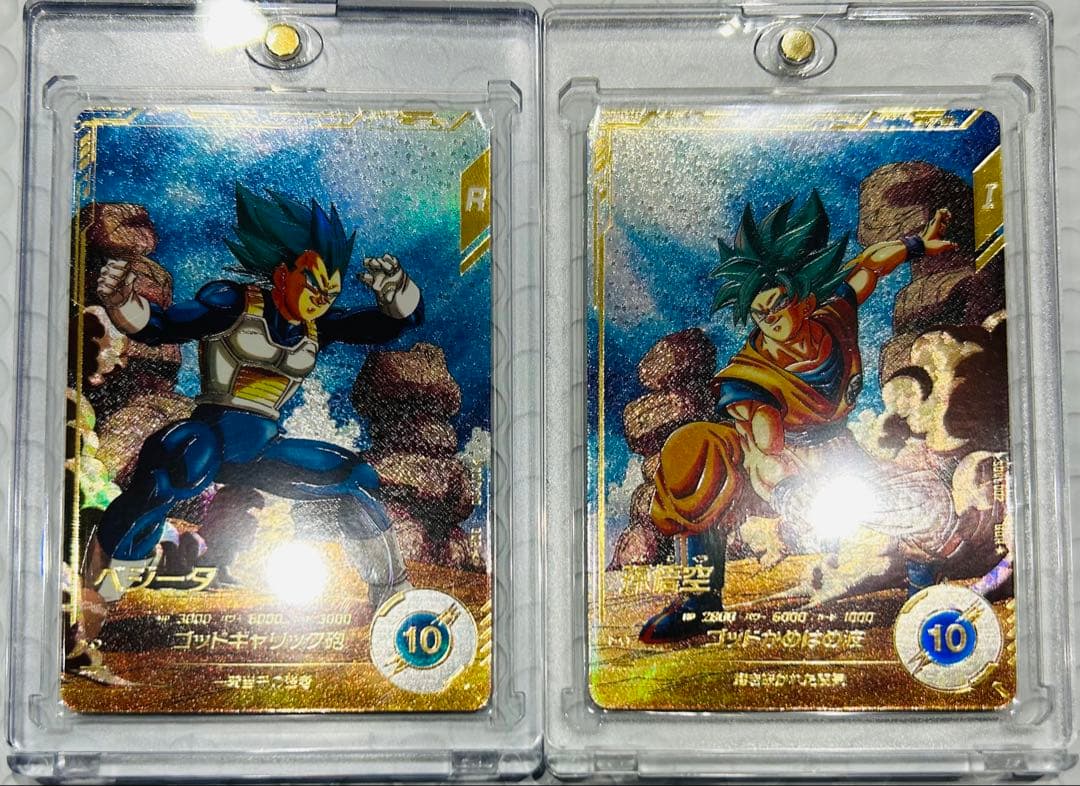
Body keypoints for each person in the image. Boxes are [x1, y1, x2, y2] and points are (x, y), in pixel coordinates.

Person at [68, 185, 423, 681]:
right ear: (281, 272)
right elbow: (165, 325)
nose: (323, 297)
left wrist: (398, 295)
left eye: (332, 288)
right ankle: (92, 608)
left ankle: (395, 601)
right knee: (179, 463)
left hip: (261, 449)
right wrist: (122, 301)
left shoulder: (317, 326)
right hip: (211, 433)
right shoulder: (235, 303)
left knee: (354, 477)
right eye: (313, 282)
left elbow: (386, 327)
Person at [642, 190, 958, 643]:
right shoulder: (750, 375)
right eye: (760, 313)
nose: (771, 319)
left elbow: (869, 267)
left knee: (926, 502)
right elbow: (763, 447)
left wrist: (916, 245)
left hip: (837, 453)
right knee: (693, 450)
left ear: (805, 302)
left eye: (778, 306)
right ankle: (699, 600)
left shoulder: (835, 319)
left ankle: (922, 594)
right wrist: (786, 487)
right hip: (769, 466)